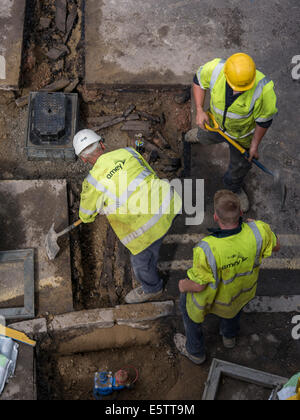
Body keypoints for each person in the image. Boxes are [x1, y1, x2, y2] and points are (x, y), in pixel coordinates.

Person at [73, 129, 182, 304]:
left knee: (141, 264)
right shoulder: (128, 151)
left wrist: (101, 207)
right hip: (170, 204)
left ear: (84, 159)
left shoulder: (92, 182)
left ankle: (152, 289)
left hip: (147, 228)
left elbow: (86, 216)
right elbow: (150, 172)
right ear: (102, 144)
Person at [174, 189, 280, 365]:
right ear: (240, 213)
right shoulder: (259, 231)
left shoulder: (207, 248)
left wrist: (184, 285)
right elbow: (276, 247)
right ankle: (229, 338)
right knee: (233, 310)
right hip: (239, 293)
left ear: (216, 217)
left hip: (214, 298)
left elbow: (199, 286)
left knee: (187, 309)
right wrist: (260, 228)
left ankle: (196, 352)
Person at [186, 53, 278, 212]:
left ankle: (233, 188)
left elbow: (264, 122)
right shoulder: (215, 69)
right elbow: (198, 81)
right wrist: (200, 110)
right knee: (203, 134)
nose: (237, 91)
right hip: (214, 123)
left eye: (242, 88)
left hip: (241, 137)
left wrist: (254, 145)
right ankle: (200, 135)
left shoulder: (264, 91)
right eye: (234, 86)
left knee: (240, 166)